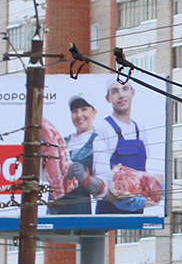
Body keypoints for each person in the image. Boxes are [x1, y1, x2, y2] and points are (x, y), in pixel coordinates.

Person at [96, 79, 150, 214]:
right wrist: (116, 200)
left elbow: (144, 169)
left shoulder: (141, 129)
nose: (121, 95)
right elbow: (97, 173)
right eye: (115, 91)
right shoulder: (101, 128)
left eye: (125, 89)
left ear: (133, 93)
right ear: (108, 98)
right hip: (109, 207)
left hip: (136, 206)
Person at [50, 95, 107, 214]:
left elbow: (104, 186)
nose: (79, 115)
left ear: (94, 113)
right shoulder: (62, 142)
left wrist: (86, 178)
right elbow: (45, 177)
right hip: (53, 213)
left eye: (84, 109)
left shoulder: (97, 143)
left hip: (79, 215)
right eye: (75, 111)